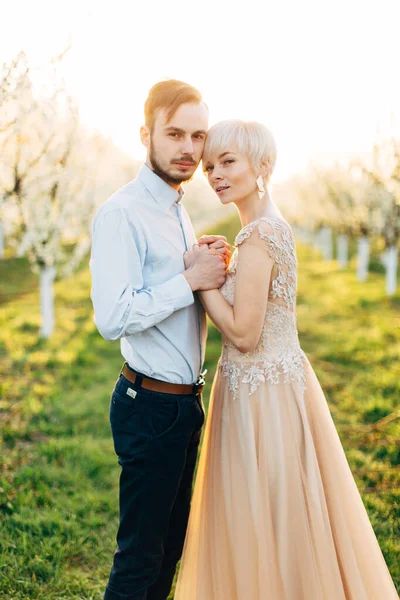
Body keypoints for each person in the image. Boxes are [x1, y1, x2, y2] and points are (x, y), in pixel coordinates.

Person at [174, 119, 399, 599]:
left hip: (262, 399)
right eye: (210, 165)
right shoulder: (258, 232)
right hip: (267, 387)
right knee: (275, 514)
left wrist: (203, 281)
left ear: (263, 166)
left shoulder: (260, 235)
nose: (214, 174)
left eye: (227, 162)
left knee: (268, 515)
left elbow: (244, 332)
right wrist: (224, 267)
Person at [90, 80, 230, 600]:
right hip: (148, 406)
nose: (190, 149)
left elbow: (173, 287)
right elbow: (113, 315)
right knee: (139, 558)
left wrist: (203, 264)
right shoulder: (124, 212)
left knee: (169, 549)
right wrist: (187, 280)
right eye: (175, 134)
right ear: (145, 134)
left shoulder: (176, 205)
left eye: (198, 135)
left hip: (180, 406)